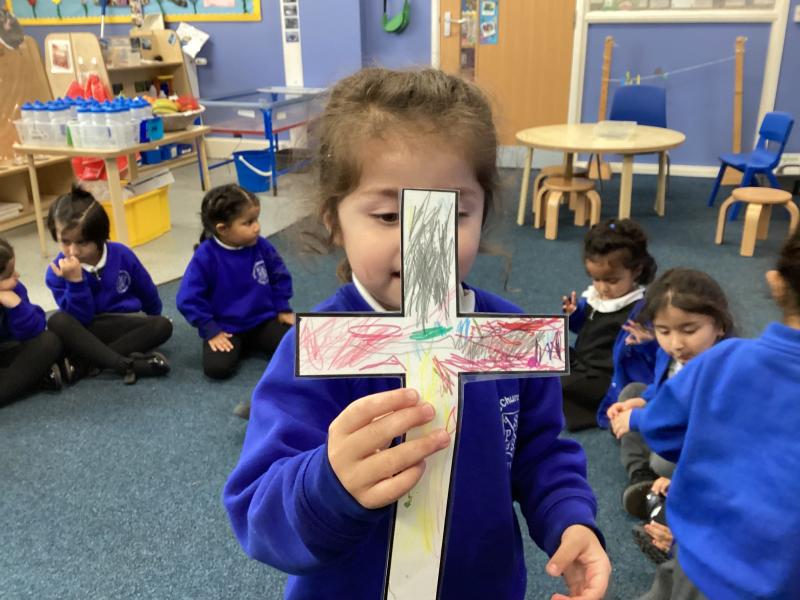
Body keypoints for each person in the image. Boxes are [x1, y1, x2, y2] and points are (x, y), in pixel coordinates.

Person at [222, 68, 610, 600]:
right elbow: (257, 513)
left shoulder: (510, 340)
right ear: (334, 220)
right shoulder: (316, 351)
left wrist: (569, 518)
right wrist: (328, 484)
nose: (424, 241)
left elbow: (541, 451)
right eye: (388, 215)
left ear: (482, 214)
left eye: (454, 212)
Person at [176, 184, 294, 417]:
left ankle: (253, 345)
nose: (257, 227)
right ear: (222, 229)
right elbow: (187, 298)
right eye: (248, 223)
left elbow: (279, 275)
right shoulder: (206, 256)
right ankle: (243, 345)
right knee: (216, 369)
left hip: (263, 321)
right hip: (227, 329)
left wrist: (283, 307)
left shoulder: (261, 245)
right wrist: (210, 330)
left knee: (299, 348)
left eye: (257, 220)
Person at [45, 186, 172, 385]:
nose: (73, 251)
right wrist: (75, 282)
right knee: (57, 321)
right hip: (88, 329)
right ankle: (123, 364)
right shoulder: (57, 271)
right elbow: (80, 319)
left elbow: (146, 289)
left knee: (162, 325)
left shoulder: (122, 254)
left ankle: (86, 363)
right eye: (65, 242)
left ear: (100, 236)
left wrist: (153, 317)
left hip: (124, 323)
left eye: (82, 242)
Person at [561, 218, 658, 431]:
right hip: (583, 364)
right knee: (544, 352)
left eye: (612, 281)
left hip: (606, 379)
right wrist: (575, 314)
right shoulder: (596, 297)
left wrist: (647, 341)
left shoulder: (641, 309)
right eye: (596, 279)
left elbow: (657, 356)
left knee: (557, 380)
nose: (603, 288)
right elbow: (587, 329)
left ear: (637, 271)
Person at [0, 238, 64, 406]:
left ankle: (22, 382)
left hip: (9, 349)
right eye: (8, 275)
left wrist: (16, 305)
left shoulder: (15, 289)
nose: (17, 275)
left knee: (50, 341)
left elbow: (36, 329)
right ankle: (34, 380)